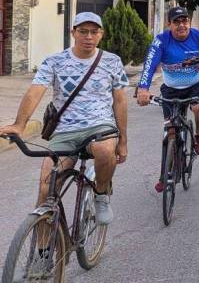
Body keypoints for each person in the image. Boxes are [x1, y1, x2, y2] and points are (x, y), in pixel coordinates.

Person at [0, 12, 128, 226]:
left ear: (101, 34)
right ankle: (42, 253)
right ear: (73, 33)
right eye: (83, 31)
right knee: (45, 189)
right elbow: (35, 92)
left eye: (94, 32)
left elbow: (120, 102)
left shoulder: (112, 62)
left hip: (100, 125)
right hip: (65, 131)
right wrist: (19, 125)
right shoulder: (54, 62)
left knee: (105, 151)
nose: (88, 36)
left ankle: (101, 194)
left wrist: (123, 140)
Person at [136, 6, 199, 193]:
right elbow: (150, 65)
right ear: (169, 24)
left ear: (189, 23)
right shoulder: (161, 41)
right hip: (171, 88)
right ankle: (165, 174)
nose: (181, 25)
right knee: (170, 132)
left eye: (185, 21)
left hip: (197, 83)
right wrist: (143, 89)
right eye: (177, 22)